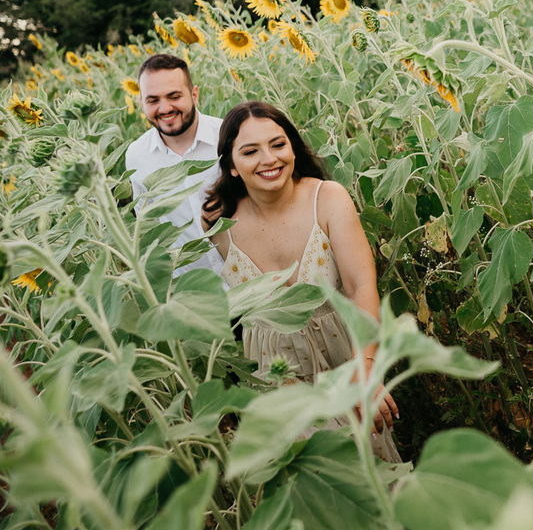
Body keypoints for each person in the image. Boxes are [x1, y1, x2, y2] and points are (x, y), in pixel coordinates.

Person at [202, 101, 401, 460]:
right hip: (272, 369)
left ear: (293, 147)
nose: (268, 159)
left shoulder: (327, 199)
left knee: (364, 467)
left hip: (340, 351)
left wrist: (365, 367)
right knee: (306, 477)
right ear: (231, 166)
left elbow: (361, 286)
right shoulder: (218, 221)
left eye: (278, 144)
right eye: (250, 151)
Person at [124, 53, 223, 275]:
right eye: (153, 100)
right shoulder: (137, 155)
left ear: (194, 94)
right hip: (190, 284)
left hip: (248, 276)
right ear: (141, 103)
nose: (165, 108)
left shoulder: (227, 137)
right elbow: (147, 223)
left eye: (174, 96)